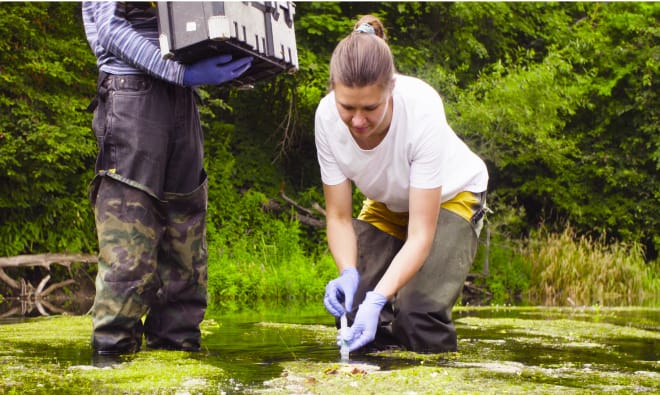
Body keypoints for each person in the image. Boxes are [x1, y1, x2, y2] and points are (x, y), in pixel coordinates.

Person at [82, 2, 252, 355]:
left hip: (183, 99)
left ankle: (179, 353)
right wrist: (180, 73)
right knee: (129, 243)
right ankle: (111, 362)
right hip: (132, 94)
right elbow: (110, 30)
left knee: (185, 244)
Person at [315, 15, 489, 353]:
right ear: (333, 90)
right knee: (354, 309)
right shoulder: (325, 118)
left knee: (417, 314)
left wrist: (381, 296)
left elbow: (420, 234)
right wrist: (349, 272)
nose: (358, 121)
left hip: (451, 197)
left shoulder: (421, 108)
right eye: (347, 107)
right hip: (388, 202)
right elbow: (337, 217)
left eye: (370, 108)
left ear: (391, 89)